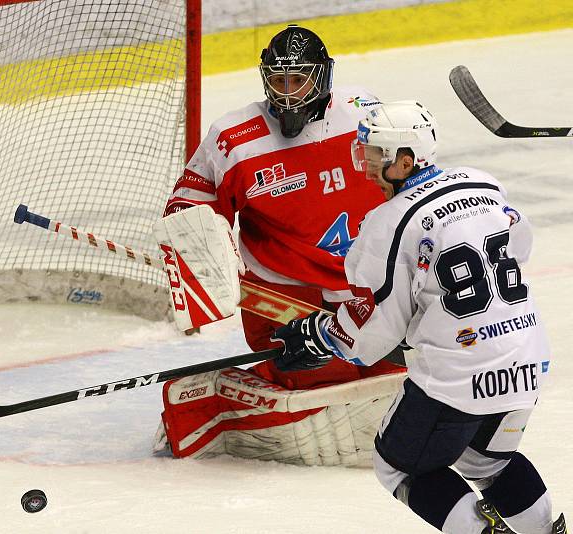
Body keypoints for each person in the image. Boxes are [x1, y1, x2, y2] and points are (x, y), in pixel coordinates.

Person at [271, 100, 566, 533]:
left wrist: (322, 336)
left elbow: (374, 328)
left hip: (459, 375)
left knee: (398, 465)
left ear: (404, 161)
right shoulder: (484, 185)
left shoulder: (389, 221)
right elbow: (518, 246)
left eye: (374, 156)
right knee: (487, 460)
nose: (366, 166)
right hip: (526, 360)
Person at [151, 24, 405, 466]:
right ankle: (216, 402)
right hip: (283, 292)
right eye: (278, 81)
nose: (286, 94)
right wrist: (206, 272)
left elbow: (408, 179)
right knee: (319, 376)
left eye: (298, 80)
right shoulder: (234, 139)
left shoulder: (365, 112)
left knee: (404, 370)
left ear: (322, 78)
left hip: (365, 281)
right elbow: (187, 207)